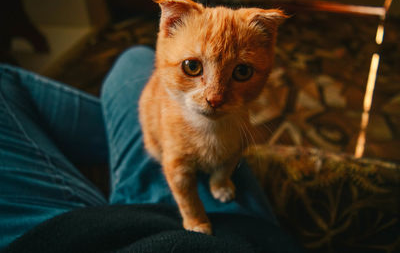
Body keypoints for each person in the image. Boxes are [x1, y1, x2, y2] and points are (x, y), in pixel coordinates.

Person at [0, 46, 302, 252]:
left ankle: (113, 144)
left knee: (5, 78)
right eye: (194, 66)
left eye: (241, 72)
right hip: (246, 235)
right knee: (136, 58)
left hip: (74, 233)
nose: (215, 96)